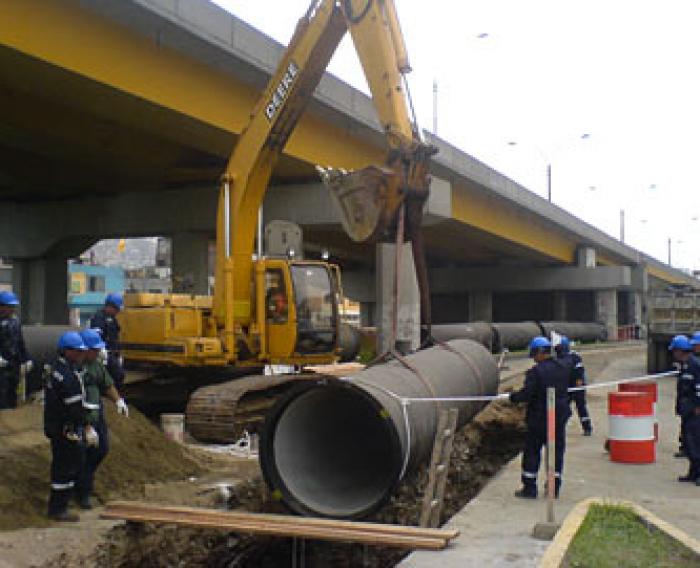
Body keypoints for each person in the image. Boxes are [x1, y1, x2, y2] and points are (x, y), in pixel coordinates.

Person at [509, 336, 572, 499]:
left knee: (532, 451)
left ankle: (529, 488)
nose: (534, 358)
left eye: (534, 354)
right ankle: (554, 487)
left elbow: (528, 394)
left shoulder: (535, 372)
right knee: (556, 451)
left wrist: (513, 397)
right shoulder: (563, 367)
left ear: (539, 352)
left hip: (539, 419)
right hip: (559, 417)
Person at [74, 329, 129, 510]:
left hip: (97, 414)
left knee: (101, 449)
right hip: (81, 417)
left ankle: (85, 484)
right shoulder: (76, 368)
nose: (98, 353)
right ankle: (81, 493)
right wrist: (87, 427)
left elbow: (107, 383)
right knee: (80, 454)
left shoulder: (96, 364)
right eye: (94, 350)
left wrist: (118, 400)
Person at [44, 332, 90, 522]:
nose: (81, 355)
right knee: (66, 467)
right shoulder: (67, 377)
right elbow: (74, 408)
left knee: (63, 465)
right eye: (77, 351)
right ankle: (58, 508)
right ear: (67, 351)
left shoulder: (55, 370)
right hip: (65, 428)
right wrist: (85, 426)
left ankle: (59, 505)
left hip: (55, 425)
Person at [670, 335, 700, 483]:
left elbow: (698, 387)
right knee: (689, 443)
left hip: (695, 411)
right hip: (687, 410)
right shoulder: (685, 365)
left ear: (680, 350)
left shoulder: (695, 365)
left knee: (696, 442)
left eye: (674, 350)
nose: (673, 354)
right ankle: (693, 473)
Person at [0, 291, 32, 409]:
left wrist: (26, 359)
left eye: (13, 307)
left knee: (12, 394)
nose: (12, 309)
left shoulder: (15, 322)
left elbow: (19, 342)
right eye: (9, 307)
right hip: (1, 367)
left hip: (13, 364)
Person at [555, 336, 592, 436]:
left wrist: (579, 383)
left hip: (577, 386)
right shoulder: (558, 358)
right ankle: (559, 428)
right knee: (564, 407)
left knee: (581, 407)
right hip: (567, 386)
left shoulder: (574, 356)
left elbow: (579, 370)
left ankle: (587, 428)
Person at [90, 293, 124, 391]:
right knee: (117, 375)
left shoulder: (113, 319)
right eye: (116, 309)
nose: (117, 312)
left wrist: (118, 354)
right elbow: (96, 336)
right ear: (109, 306)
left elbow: (115, 336)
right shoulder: (99, 317)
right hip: (103, 353)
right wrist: (101, 351)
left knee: (117, 376)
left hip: (113, 353)